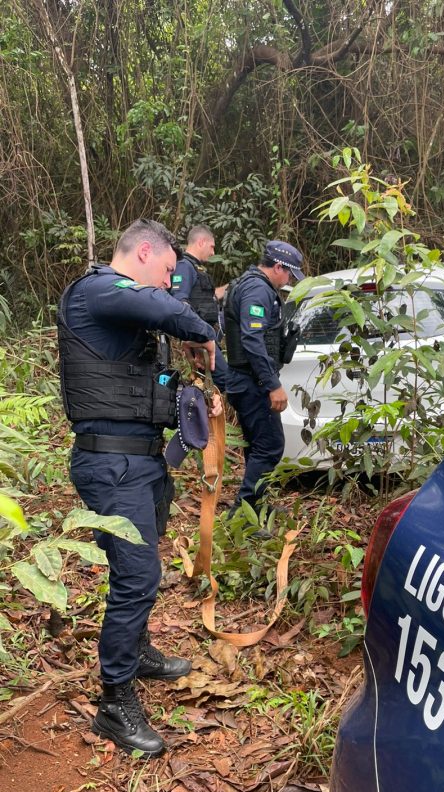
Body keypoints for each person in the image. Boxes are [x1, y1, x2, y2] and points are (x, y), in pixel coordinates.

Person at [58, 218, 224, 758]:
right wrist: (204, 332)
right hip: (110, 467)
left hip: (141, 463)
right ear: (145, 252)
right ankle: (114, 701)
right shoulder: (98, 290)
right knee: (137, 575)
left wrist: (193, 396)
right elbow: (169, 311)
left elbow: (144, 386)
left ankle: (139, 652)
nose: (169, 284)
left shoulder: (124, 316)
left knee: (142, 568)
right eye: (169, 272)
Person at [223, 240, 304, 513]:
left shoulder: (250, 284)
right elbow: (252, 340)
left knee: (258, 446)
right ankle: (243, 513)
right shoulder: (257, 289)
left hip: (246, 380)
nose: (289, 279)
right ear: (278, 267)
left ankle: (255, 507)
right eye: (289, 273)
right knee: (270, 446)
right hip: (252, 382)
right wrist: (272, 384)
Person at [169, 225, 227, 333]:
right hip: (195, 334)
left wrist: (229, 286)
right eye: (212, 247)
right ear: (201, 242)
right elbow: (180, 301)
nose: (213, 253)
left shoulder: (196, 268)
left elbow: (207, 298)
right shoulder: (184, 266)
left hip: (205, 331)